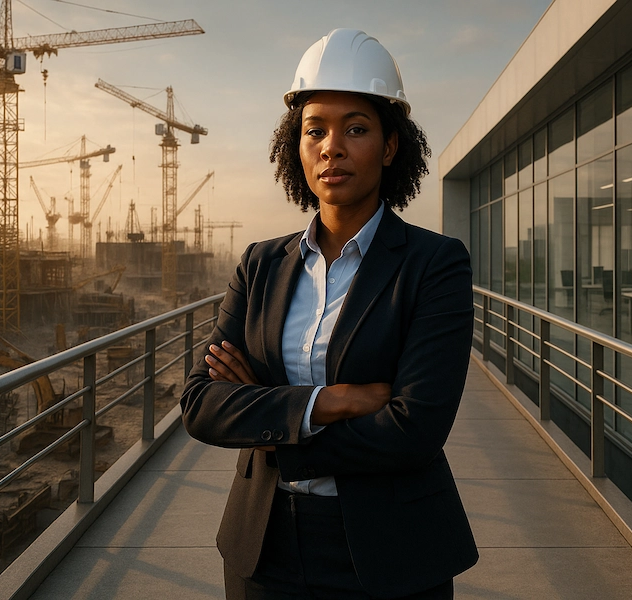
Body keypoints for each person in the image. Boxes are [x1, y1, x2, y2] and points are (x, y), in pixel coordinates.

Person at [179, 28, 478, 600]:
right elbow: (201, 403)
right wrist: (330, 402)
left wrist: (271, 424)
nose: (331, 147)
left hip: (390, 551)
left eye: (356, 129)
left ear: (390, 147)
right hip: (262, 547)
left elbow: (415, 430)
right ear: (296, 146)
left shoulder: (434, 264)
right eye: (315, 130)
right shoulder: (260, 265)